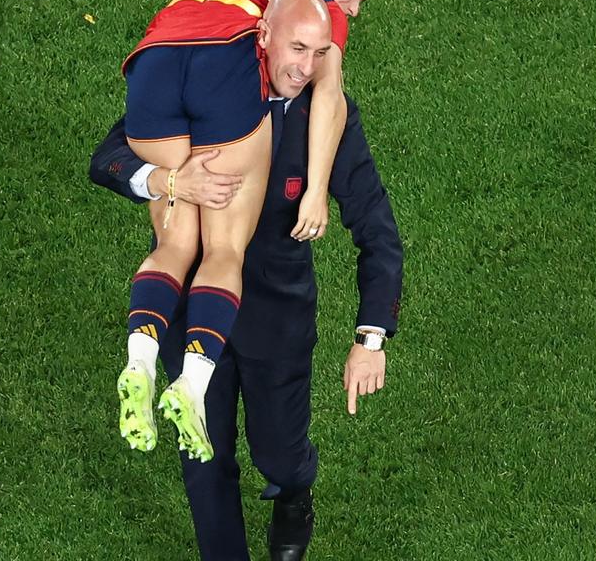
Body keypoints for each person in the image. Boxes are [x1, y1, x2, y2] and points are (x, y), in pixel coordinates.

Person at [90, 69, 402, 560]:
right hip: (193, 311)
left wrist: (371, 339)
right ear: (265, 33)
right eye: (296, 49)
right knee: (203, 461)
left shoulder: (326, 117)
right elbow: (108, 158)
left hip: (277, 320)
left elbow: (376, 227)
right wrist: (168, 179)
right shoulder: (199, 88)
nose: (306, 66)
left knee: (279, 453)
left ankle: (293, 493)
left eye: (320, 51)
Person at [117, 0, 379, 462]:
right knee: (222, 249)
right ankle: (190, 386)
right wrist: (316, 190)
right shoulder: (312, 7)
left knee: (176, 236)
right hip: (222, 71)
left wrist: (171, 180)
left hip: (151, 63)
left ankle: (139, 360)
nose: (352, 9)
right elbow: (329, 98)